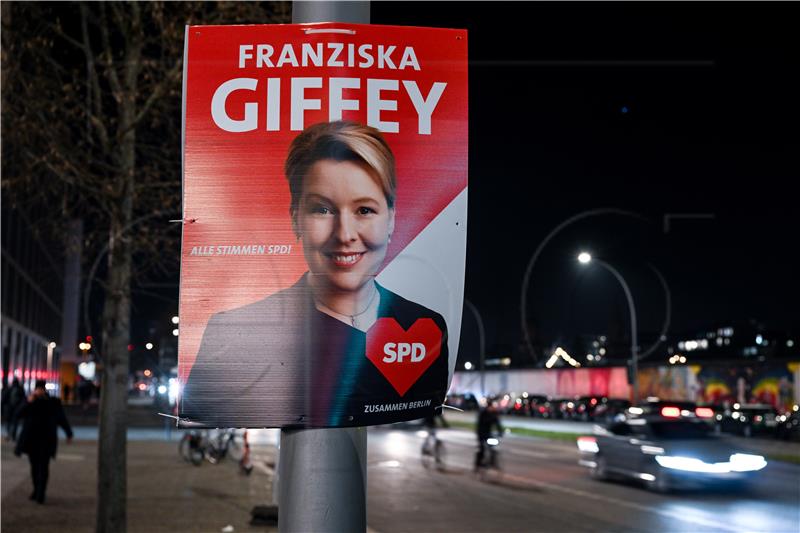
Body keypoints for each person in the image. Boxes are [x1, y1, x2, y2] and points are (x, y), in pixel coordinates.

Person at [182, 121, 449, 428]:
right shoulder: (232, 333)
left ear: (391, 221)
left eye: (364, 210)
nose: (345, 234)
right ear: (295, 218)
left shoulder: (425, 327)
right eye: (322, 209)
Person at [14, 379, 73, 504]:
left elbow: (61, 418)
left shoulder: (52, 402)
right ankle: (37, 490)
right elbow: (18, 414)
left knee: (43, 467)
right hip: (33, 440)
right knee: (35, 466)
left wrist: (69, 433)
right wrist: (28, 402)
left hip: (45, 440)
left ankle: (40, 493)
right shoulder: (31, 401)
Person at [475, 401, 503, 471]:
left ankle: (492, 462)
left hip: (488, 434)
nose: (493, 408)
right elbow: (480, 424)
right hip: (481, 433)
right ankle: (478, 464)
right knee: (482, 449)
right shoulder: (483, 413)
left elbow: (497, 423)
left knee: (493, 448)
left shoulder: (494, 413)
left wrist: (500, 432)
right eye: (491, 407)